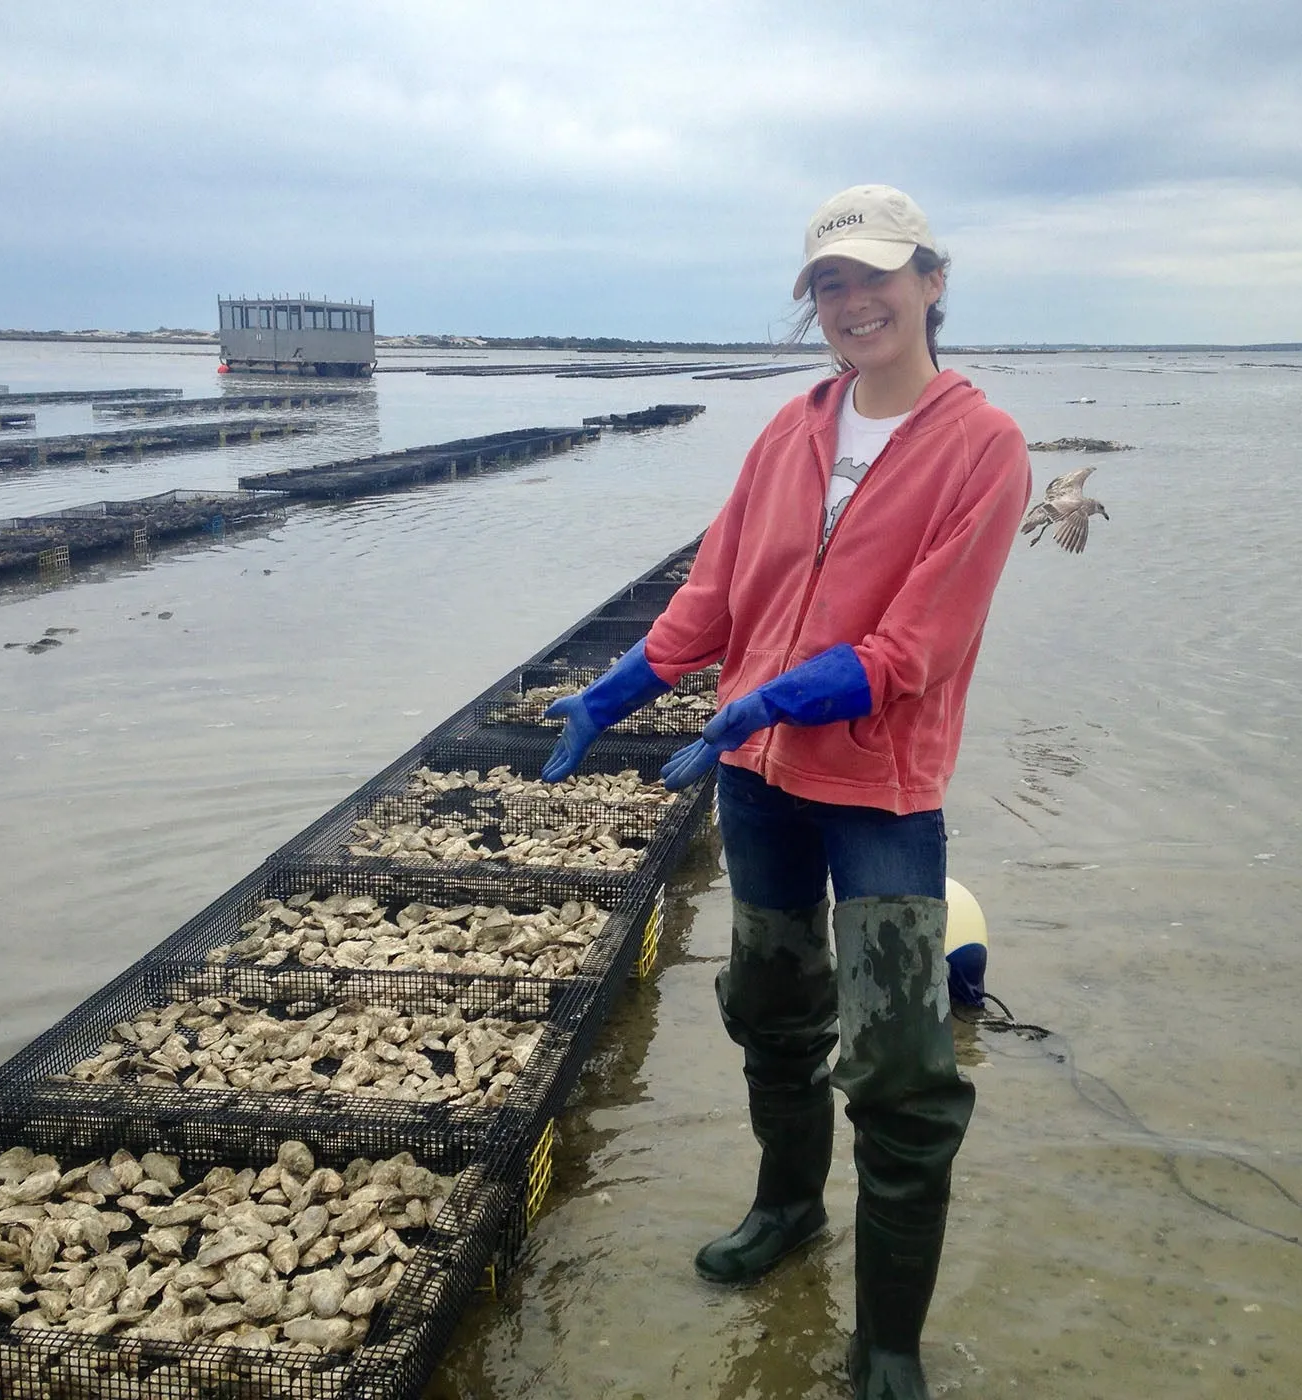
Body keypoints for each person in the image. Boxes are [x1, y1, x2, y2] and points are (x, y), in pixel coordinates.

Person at [541, 184, 1031, 1400]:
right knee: (771, 1002)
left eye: (874, 276)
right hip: (753, 783)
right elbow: (713, 596)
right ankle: (787, 1210)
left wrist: (788, 692)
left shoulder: (986, 447)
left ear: (930, 280)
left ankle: (888, 1341)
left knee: (905, 1062)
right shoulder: (790, 429)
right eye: (827, 284)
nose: (851, 303)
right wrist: (619, 686)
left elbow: (919, 642)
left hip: (879, 791)